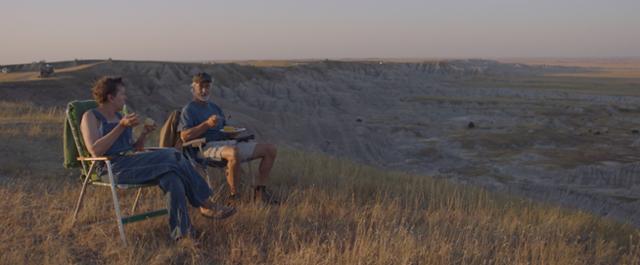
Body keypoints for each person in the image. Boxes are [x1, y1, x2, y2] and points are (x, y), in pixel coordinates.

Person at [80, 76, 235, 240]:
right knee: (173, 154)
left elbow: (134, 149)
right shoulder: (91, 117)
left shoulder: (120, 117)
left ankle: (182, 235)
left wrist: (144, 133)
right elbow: (95, 151)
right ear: (111, 97)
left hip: (132, 162)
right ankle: (206, 203)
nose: (125, 98)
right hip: (112, 168)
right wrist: (121, 127)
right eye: (122, 94)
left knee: (172, 177)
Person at [179, 72, 279, 204]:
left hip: (225, 142)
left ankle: (260, 192)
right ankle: (234, 196)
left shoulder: (214, 107)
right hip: (203, 147)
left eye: (207, 87)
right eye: (201, 87)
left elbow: (224, 129)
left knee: (270, 149)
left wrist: (233, 133)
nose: (204, 90)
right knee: (233, 152)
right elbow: (185, 136)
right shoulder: (188, 110)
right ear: (193, 88)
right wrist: (206, 124)